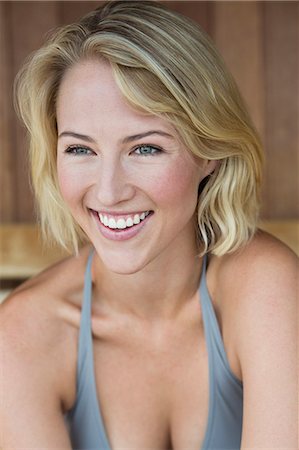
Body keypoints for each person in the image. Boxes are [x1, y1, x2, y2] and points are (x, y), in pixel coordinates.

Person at [0, 1, 297, 449]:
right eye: (81, 150)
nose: (108, 191)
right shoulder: (21, 338)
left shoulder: (265, 289)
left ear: (208, 151)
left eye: (145, 149)